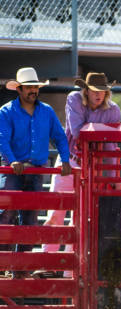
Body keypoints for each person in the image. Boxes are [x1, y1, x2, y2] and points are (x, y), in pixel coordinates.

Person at [34, 72, 121, 279]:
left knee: (80, 217)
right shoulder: (74, 99)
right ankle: (48, 263)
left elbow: (112, 146)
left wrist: (113, 177)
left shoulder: (113, 110)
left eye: (102, 91)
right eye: (94, 90)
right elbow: (77, 131)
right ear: (86, 90)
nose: (99, 95)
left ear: (106, 92)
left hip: (93, 167)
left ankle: (68, 269)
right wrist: (102, 134)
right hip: (70, 161)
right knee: (56, 213)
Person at [0, 67, 70, 276]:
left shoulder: (46, 111)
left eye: (35, 87)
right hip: (13, 170)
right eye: (29, 87)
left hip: (36, 170)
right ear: (19, 89)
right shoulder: (6, 111)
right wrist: (13, 161)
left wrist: (65, 159)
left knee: (30, 220)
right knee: (7, 214)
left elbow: (59, 136)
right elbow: (2, 140)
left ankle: (20, 268)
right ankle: (4, 264)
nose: (33, 90)